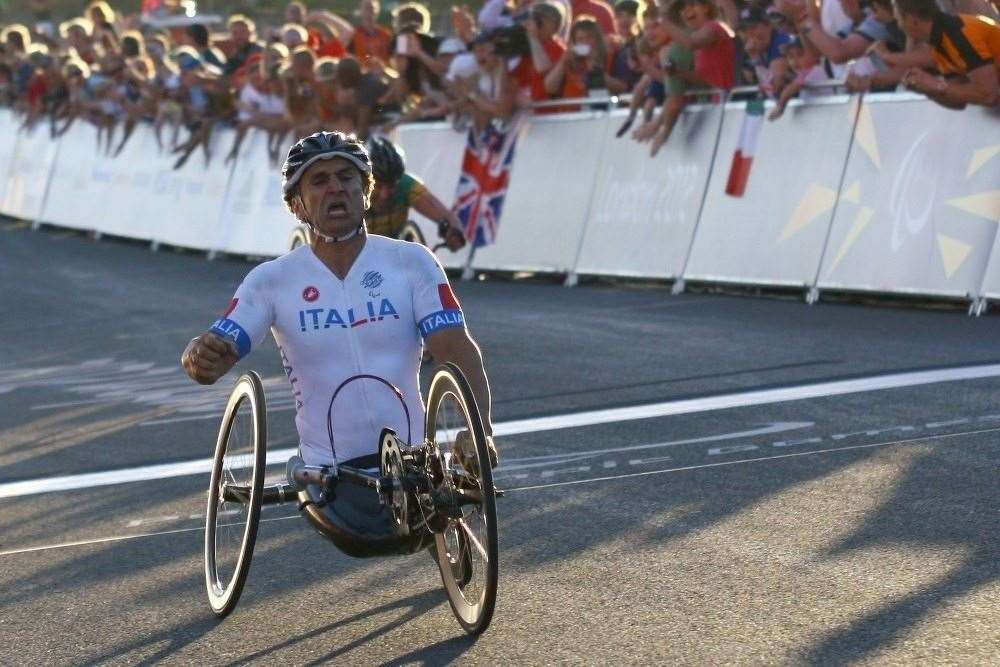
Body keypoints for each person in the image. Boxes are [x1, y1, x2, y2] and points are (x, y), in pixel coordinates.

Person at [181, 132, 496, 472]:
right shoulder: (271, 280)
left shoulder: (412, 262)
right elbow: (217, 349)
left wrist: (480, 432)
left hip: (412, 468)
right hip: (327, 473)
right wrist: (199, 356)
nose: (335, 187)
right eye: (319, 181)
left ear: (365, 194)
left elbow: (456, 348)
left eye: (346, 177)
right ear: (297, 205)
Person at [365, 135, 467, 251]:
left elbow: (446, 215)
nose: (384, 195)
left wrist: (453, 230)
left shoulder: (406, 185)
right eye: (378, 186)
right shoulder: (354, 189)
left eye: (391, 186)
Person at [891, 0, 999, 108]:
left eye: (899, 20)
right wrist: (926, 89)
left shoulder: (959, 32)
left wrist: (935, 84)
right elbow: (957, 102)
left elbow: (989, 95)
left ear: (912, 20)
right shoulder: (939, 43)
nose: (900, 27)